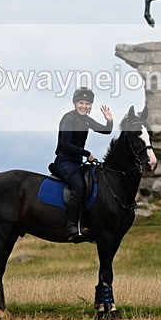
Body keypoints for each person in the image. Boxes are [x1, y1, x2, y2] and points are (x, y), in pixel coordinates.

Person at [50, 86, 113, 240]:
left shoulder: (86, 119)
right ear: (75, 103)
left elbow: (106, 130)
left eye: (87, 103)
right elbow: (66, 145)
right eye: (81, 103)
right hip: (65, 161)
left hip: (77, 162)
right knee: (79, 187)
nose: (84, 106)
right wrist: (87, 154)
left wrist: (109, 120)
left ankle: (89, 223)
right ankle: (71, 227)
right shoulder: (69, 118)